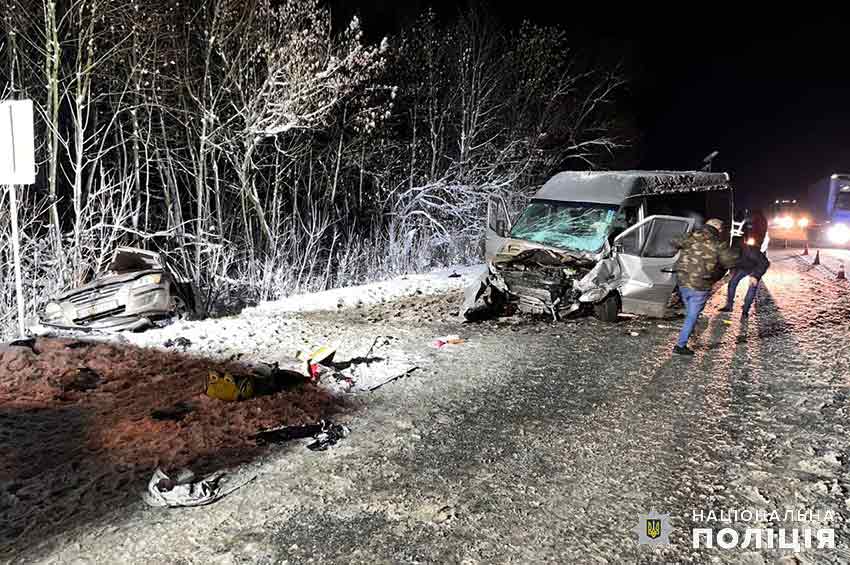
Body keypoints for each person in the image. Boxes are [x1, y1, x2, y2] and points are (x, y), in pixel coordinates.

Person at [671, 218, 739, 356]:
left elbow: (674, 241)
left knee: (690, 311)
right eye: (721, 229)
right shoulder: (719, 243)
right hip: (700, 285)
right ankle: (680, 345)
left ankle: (691, 329)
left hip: (682, 281)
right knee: (692, 315)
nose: (721, 231)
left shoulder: (691, 236)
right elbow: (730, 261)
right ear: (717, 229)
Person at [719, 240, 769, 319]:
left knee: (752, 287)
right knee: (732, 283)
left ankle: (745, 311)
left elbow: (765, 263)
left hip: (756, 268)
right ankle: (729, 306)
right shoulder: (731, 254)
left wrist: (756, 276)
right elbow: (730, 265)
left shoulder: (750, 251)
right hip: (743, 267)